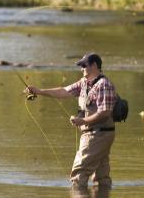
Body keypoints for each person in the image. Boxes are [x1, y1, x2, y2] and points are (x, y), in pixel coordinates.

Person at [24, 53, 117, 188]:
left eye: (84, 66)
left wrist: (83, 121)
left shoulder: (104, 85)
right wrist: (39, 91)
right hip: (94, 134)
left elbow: (105, 113)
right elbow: (64, 91)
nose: (82, 69)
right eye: (81, 66)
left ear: (95, 66)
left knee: (78, 175)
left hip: (98, 135)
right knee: (101, 178)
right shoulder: (84, 83)